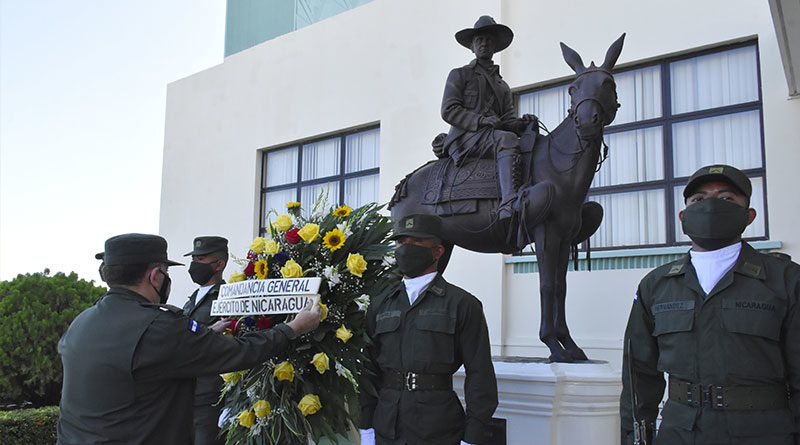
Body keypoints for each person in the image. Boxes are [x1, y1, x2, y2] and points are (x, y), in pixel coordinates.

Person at [57, 233, 321, 444]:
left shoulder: (83, 321)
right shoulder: (158, 325)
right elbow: (239, 352)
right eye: (165, 271)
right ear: (154, 275)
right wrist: (293, 328)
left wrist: (205, 336)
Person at [619, 165, 800, 444]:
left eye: (726, 198)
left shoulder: (786, 280)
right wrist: (636, 437)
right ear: (683, 216)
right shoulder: (656, 285)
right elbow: (639, 374)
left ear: (749, 215)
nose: (711, 206)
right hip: (679, 433)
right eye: (699, 200)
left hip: (763, 433)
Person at [359, 214, 498, 445]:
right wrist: (366, 428)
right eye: (402, 243)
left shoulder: (462, 304)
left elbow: (480, 373)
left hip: (438, 429)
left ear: (437, 251)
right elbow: (369, 370)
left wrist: (472, 436)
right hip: (386, 426)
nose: (406, 249)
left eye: (415, 243)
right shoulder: (380, 304)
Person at [441, 15, 538, 222]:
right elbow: (448, 110)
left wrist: (523, 123)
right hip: (467, 139)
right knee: (507, 140)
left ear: (495, 47)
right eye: (479, 40)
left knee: (526, 142)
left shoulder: (503, 86)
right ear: (472, 47)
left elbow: (508, 121)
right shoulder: (460, 74)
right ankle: (508, 203)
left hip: (492, 136)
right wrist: (481, 121)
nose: (484, 44)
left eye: (488, 40)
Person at [182, 236, 229, 445]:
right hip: (185, 395)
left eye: (200, 259)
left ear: (219, 264)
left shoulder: (228, 298)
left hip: (211, 397)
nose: (194, 265)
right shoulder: (192, 298)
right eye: (194, 259)